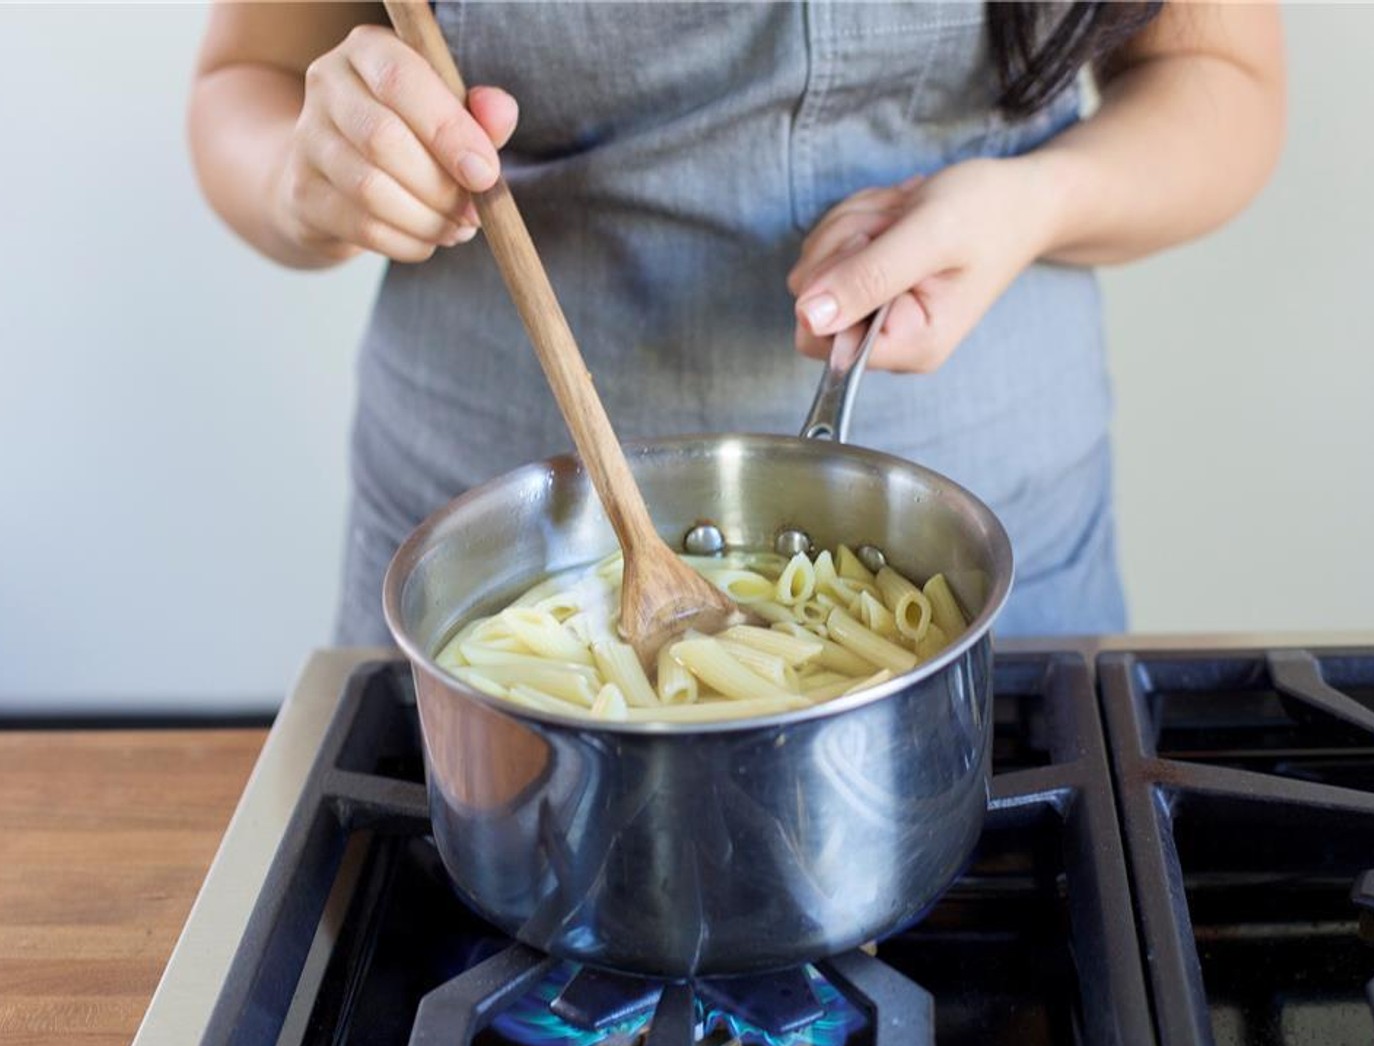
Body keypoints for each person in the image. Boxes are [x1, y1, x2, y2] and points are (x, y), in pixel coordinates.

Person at [189, 1, 1284, 644]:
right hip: (489, 568)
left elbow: (1220, 75)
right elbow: (247, 79)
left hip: (1004, 567)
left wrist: (1032, 204)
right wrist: (307, 176)